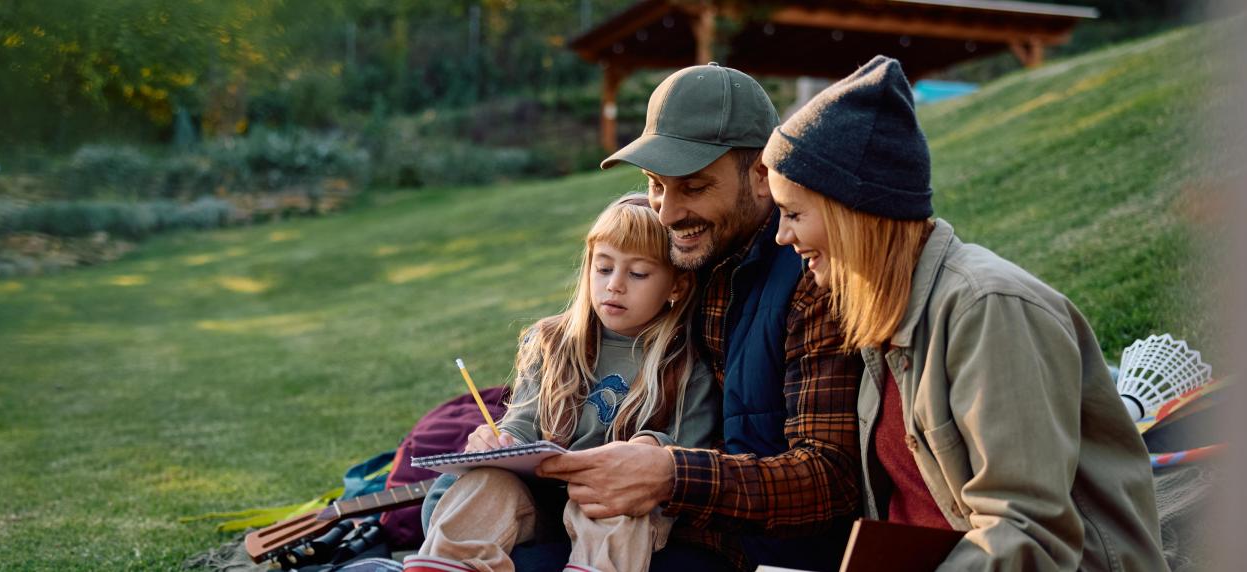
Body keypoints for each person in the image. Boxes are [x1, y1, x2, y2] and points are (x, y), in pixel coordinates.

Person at [762, 55, 1167, 570]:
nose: (782, 235)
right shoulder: (882, 311)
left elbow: (1027, 534)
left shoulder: (989, 310)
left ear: (853, 212)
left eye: (794, 213)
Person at [536, 63, 865, 571]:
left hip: (757, 554)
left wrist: (670, 475)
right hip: (652, 524)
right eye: (655, 185)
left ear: (761, 177)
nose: (666, 213)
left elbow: (831, 477)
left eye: (692, 187)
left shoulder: (811, 279)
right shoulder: (684, 258)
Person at [407, 194, 719, 572]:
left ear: (677, 287)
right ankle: (445, 564)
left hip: (619, 506)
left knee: (615, 501)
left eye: (637, 273)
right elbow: (521, 425)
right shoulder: (551, 343)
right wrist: (499, 442)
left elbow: (689, 451)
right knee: (487, 483)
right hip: (538, 501)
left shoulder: (685, 362)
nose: (615, 286)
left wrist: (649, 448)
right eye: (603, 269)